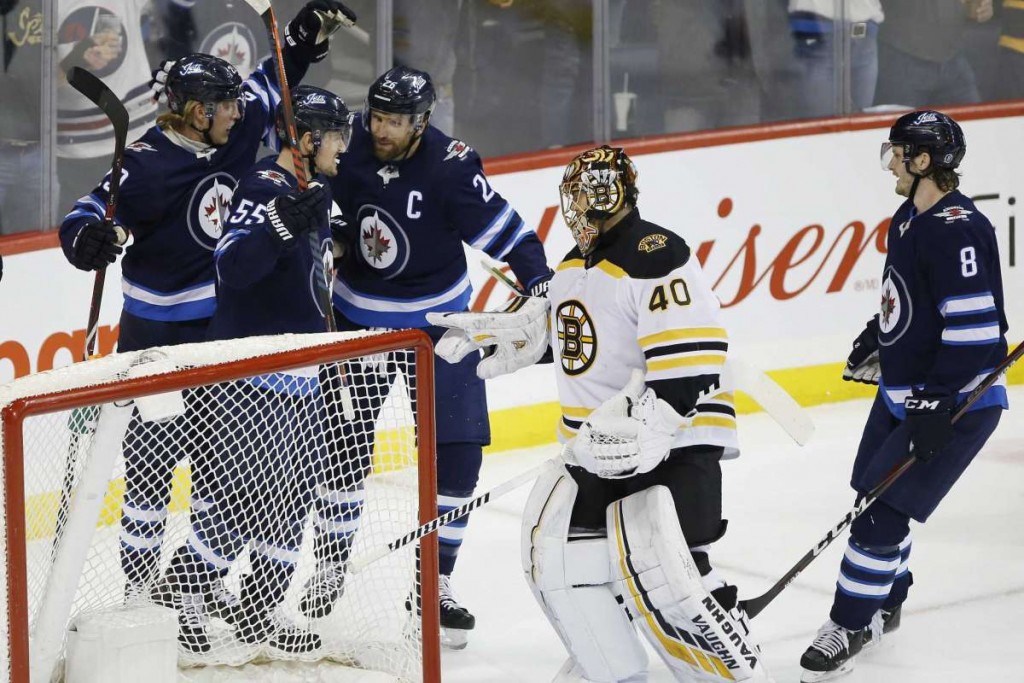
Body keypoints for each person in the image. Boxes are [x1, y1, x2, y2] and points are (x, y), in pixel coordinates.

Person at [55, 0, 355, 637]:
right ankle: (140, 596)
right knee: (151, 472)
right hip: (155, 339)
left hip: (217, 335)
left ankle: (195, 591)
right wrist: (87, 239)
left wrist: (301, 38)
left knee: (225, 473)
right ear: (196, 112)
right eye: (225, 106)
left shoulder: (236, 129)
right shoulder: (143, 164)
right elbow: (84, 213)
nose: (240, 113)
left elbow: (272, 83)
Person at [429, 145, 773, 682]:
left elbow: (695, 351)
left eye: (584, 194)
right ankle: (610, 666)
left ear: (611, 195)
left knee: (672, 573)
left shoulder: (654, 253)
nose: (575, 207)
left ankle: (723, 670)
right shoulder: (573, 265)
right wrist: (526, 339)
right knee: (562, 561)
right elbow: (585, 344)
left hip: (672, 445)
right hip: (601, 452)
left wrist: (656, 426)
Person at [321, 65, 552, 649]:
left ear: (421, 122)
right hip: (358, 324)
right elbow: (306, 192)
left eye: (395, 122)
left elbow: (512, 235)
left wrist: (542, 285)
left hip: (438, 328)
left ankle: (434, 582)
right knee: (341, 449)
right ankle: (328, 570)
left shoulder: (450, 168)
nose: (382, 129)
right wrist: (331, 230)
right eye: (377, 116)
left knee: (459, 454)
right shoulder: (346, 141)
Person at [799, 110, 1008, 681]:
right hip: (905, 393)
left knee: (878, 520)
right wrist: (880, 334)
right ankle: (887, 601)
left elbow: (976, 330)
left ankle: (849, 624)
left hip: (955, 403)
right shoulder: (910, 217)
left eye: (898, 153)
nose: (890, 162)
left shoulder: (958, 228)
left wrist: (938, 401)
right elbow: (909, 296)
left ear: (923, 161)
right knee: (871, 496)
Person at [164, 85, 350, 654]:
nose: (344, 146)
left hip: (300, 373)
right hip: (252, 374)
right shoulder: (263, 186)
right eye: (336, 136)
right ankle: (180, 598)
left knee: (290, 507)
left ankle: (257, 613)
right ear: (308, 139)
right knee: (240, 505)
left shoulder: (312, 188)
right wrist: (277, 227)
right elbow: (232, 266)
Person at [873, 0, 991, 108]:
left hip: (953, 59)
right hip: (903, 58)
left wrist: (980, 8)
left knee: (974, 121)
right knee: (899, 124)